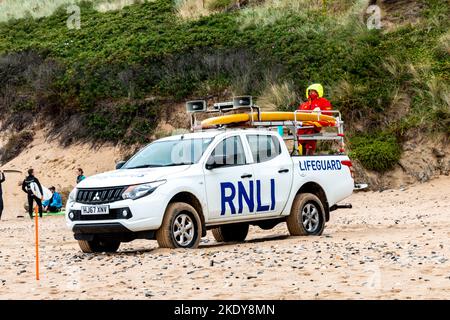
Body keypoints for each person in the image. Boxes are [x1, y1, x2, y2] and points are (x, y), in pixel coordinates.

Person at [297, 83, 333, 155]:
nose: (311, 92)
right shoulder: (305, 104)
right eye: (310, 91)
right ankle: (300, 156)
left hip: (313, 127)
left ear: (318, 92)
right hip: (302, 128)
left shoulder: (323, 102)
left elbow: (328, 114)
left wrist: (318, 116)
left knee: (310, 143)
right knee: (299, 143)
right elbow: (298, 115)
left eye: (313, 91)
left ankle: (309, 157)